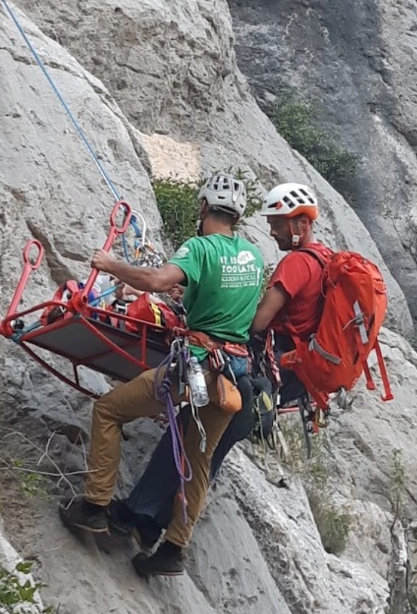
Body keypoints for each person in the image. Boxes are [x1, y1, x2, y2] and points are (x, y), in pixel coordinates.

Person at [110, 183, 330, 562]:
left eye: (278, 224)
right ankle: (156, 531)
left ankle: (142, 520)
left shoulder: (297, 263)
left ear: (300, 224)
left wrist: (212, 313)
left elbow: (257, 322)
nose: (274, 232)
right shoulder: (325, 259)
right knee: (203, 449)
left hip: (256, 369)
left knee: (192, 439)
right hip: (285, 383)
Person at [60, 172, 264, 577]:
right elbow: (228, 304)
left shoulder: (200, 248)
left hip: (194, 366)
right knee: (198, 460)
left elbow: (155, 279)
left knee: (109, 410)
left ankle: (95, 507)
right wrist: (183, 296)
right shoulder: (254, 257)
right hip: (230, 375)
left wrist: (111, 265)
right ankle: (173, 549)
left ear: (204, 207)